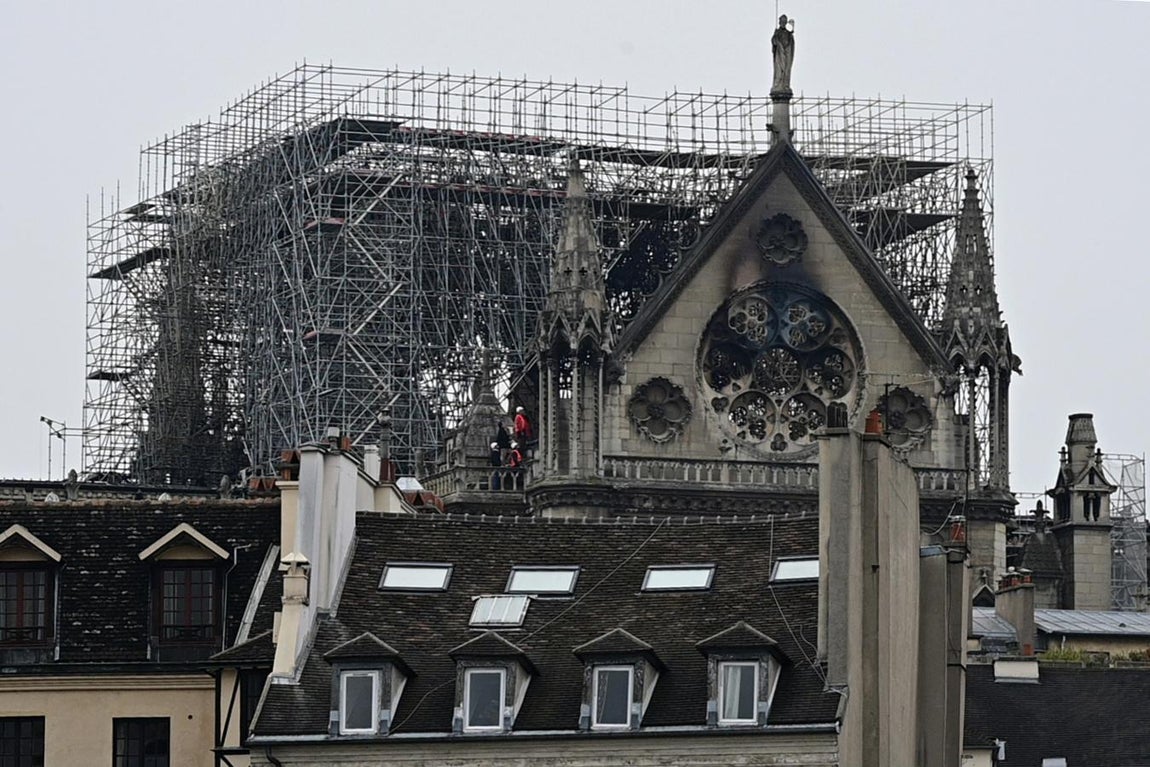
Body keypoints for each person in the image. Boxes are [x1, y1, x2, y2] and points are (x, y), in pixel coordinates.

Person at [771, 14, 795, 97]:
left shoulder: (789, 34)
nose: (783, 23)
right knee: (779, 71)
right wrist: (775, 39)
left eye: (784, 22)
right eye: (781, 21)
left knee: (786, 70)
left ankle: (785, 84)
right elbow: (774, 42)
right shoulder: (777, 33)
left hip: (787, 55)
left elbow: (791, 45)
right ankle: (778, 84)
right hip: (779, 56)